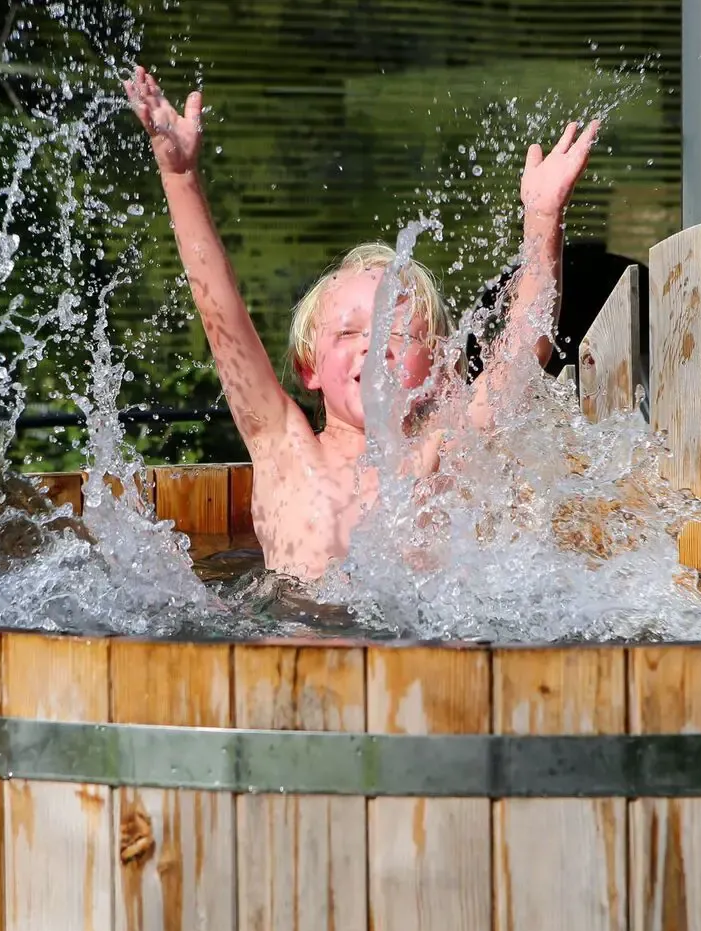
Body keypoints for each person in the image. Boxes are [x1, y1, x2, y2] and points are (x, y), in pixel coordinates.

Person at [123, 65, 599, 582]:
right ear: (309, 368)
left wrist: (543, 221)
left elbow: (523, 355)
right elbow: (222, 318)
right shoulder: (285, 449)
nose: (375, 350)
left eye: (399, 334)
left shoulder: (445, 452)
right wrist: (180, 177)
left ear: (441, 365)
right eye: (349, 334)